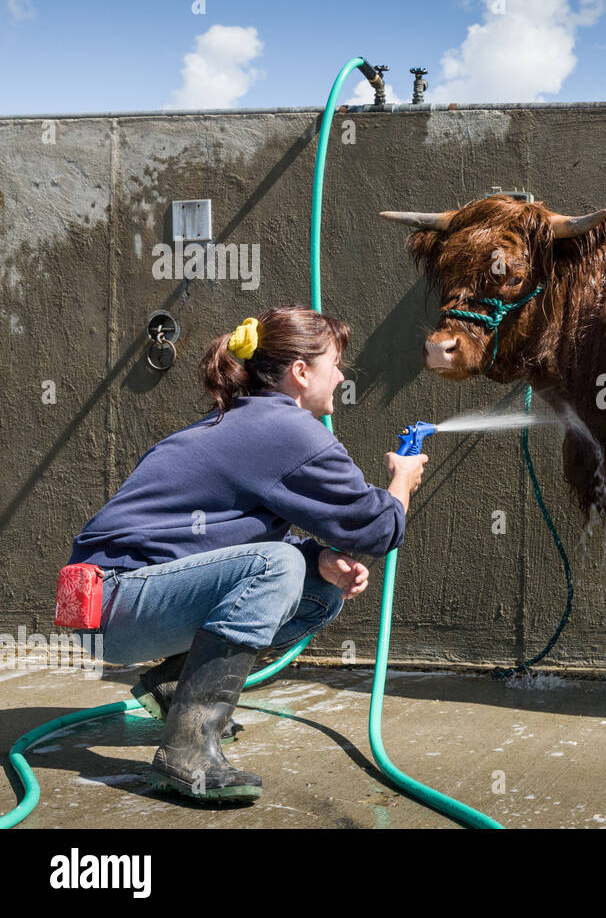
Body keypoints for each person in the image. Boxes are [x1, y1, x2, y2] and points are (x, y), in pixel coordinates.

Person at [67, 306, 428, 803]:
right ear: (301, 372)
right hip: (110, 603)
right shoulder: (289, 431)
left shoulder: (244, 420)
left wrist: (314, 557)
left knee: (319, 584)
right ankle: (187, 753)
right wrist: (402, 480)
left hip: (106, 603)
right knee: (279, 567)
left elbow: (210, 540)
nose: (342, 375)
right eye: (336, 363)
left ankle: (175, 686)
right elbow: (377, 528)